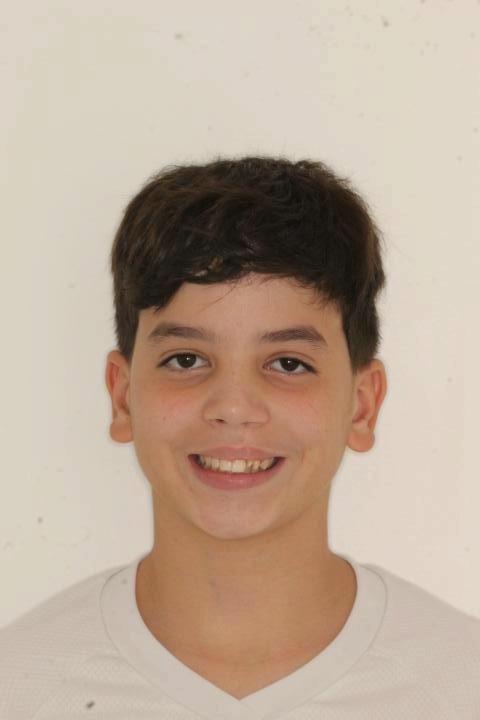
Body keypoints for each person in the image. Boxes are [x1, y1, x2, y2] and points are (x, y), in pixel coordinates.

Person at [1, 155, 479, 718]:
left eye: (289, 363)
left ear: (362, 405)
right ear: (123, 395)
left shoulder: (461, 685)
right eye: (186, 359)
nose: (233, 408)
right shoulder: (19, 687)